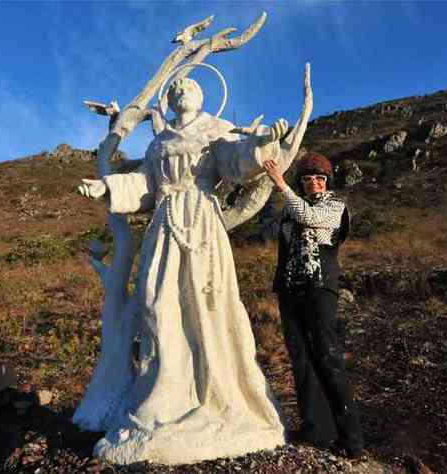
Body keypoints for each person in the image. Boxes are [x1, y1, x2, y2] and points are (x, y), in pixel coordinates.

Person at [77, 77, 290, 464]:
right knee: (158, 303)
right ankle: (165, 391)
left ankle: (213, 389)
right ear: (169, 101)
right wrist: (107, 187)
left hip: (202, 221)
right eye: (174, 90)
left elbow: (237, 161)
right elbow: (144, 183)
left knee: (207, 302)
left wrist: (260, 146)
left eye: (187, 88)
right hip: (164, 222)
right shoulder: (159, 142)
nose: (180, 93)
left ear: (202, 95)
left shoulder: (215, 130)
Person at [263, 153, 364, 458]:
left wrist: (282, 185)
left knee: (327, 356)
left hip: (320, 289)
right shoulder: (290, 211)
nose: (313, 184)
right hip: (291, 291)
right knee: (300, 358)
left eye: (319, 179)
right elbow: (285, 244)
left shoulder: (335, 206)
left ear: (327, 182)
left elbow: (312, 218)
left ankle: (352, 440)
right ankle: (314, 429)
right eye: (307, 179)